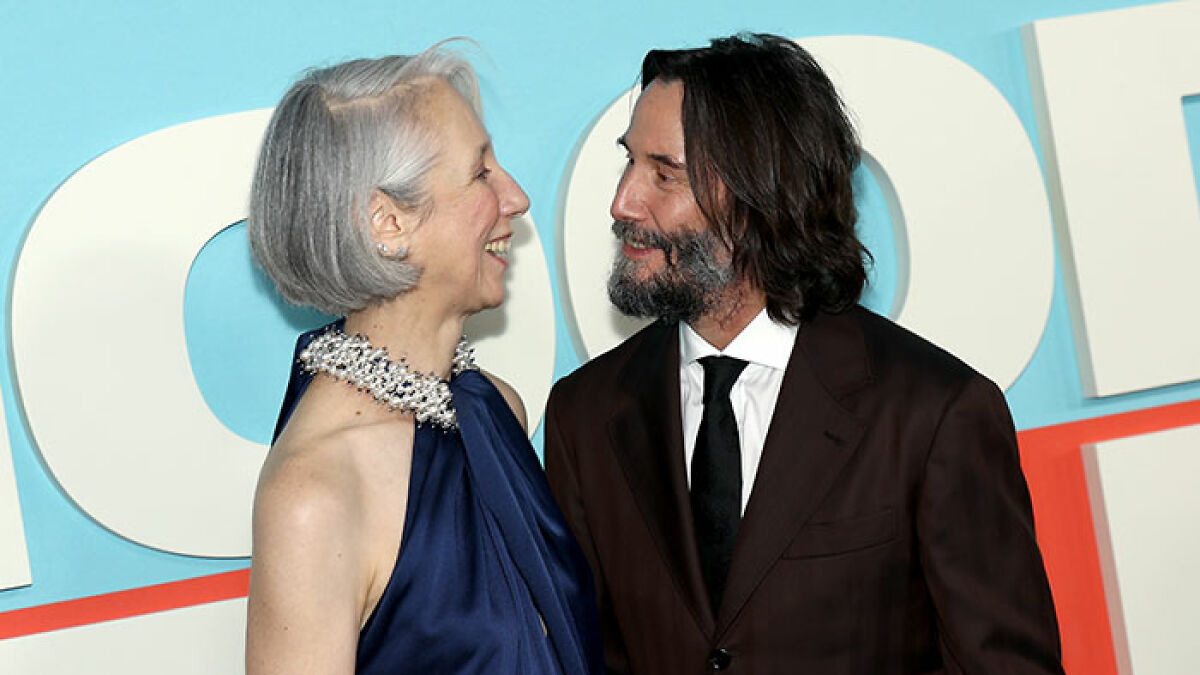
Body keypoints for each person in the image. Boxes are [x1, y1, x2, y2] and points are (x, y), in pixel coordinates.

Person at [544, 33, 1065, 674]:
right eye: (629, 163)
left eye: (664, 173)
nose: (623, 202)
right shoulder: (586, 415)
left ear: (760, 195)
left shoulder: (932, 414)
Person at [245, 48, 602, 675]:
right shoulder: (315, 493)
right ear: (388, 223)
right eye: (480, 172)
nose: (517, 197)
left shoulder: (493, 409)